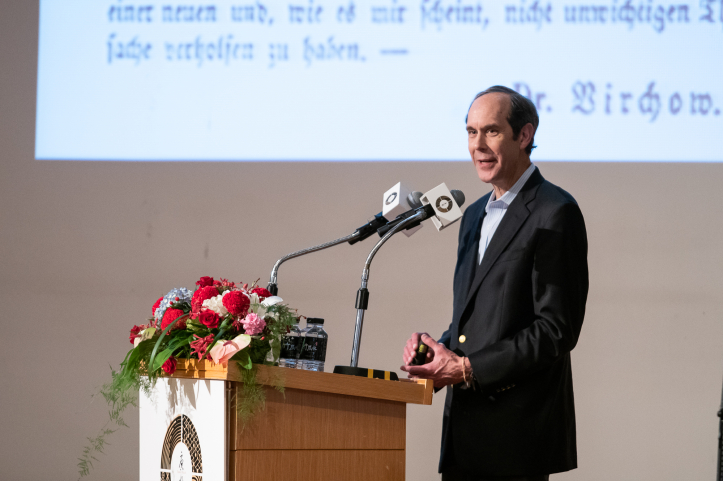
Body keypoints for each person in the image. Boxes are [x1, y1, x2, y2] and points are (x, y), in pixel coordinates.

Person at [401, 86, 589, 481]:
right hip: (465, 433)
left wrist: (468, 368)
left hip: (516, 435)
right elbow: (476, 317)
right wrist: (438, 352)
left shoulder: (555, 212)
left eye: (491, 131)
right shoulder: (472, 217)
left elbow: (556, 330)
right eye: (471, 132)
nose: (478, 146)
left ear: (524, 135)